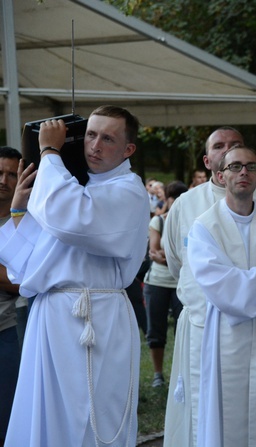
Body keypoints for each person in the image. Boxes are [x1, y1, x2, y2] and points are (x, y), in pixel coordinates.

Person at [0, 105, 150, 446]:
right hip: (51, 318)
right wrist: (21, 209)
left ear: (128, 149)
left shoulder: (128, 189)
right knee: (49, 415)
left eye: (108, 138)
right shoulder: (72, 187)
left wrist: (50, 151)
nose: (95, 146)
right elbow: (26, 265)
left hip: (95, 319)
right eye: (91, 135)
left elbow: (77, 220)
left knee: (91, 413)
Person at [163, 126, 256, 447]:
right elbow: (177, 262)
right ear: (208, 161)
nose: (228, 151)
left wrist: (254, 282)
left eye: (236, 145)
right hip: (204, 322)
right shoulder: (186, 205)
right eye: (219, 146)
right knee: (207, 411)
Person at [188, 146, 256, 446]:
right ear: (221, 176)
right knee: (227, 416)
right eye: (235, 167)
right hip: (225, 331)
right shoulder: (204, 227)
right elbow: (216, 285)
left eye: (251, 167)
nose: (243, 173)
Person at [144, 180, 188, 387]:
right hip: (158, 282)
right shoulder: (158, 222)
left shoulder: (192, 222)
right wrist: (179, 259)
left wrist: (167, 256)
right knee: (156, 330)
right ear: (168, 200)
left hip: (182, 283)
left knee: (183, 329)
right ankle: (158, 374)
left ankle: (183, 372)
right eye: (174, 198)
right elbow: (154, 252)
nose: (178, 202)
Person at [0, 147, 21, 445]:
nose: (3, 180)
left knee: (7, 415)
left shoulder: (25, 221)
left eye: (11, 174)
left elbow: (23, 282)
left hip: (9, 330)